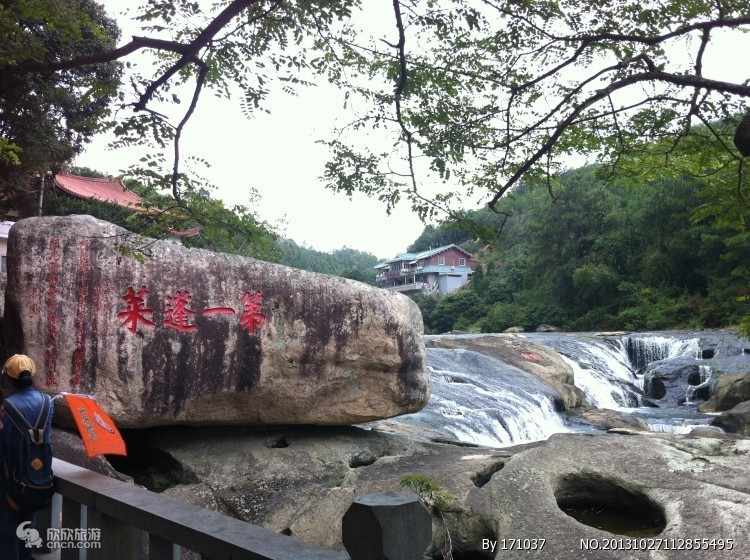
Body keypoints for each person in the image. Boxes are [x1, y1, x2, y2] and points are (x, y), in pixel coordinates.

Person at [0, 354, 53, 560]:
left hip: (10, 479)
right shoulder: (48, 403)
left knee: (7, 534)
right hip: (38, 477)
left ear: (10, 378)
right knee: (27, 530)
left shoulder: (7, 406)